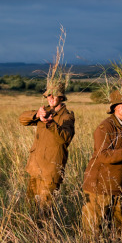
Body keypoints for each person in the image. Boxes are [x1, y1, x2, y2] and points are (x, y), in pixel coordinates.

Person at [81, 89, 122, 239]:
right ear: (114, 107)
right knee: (93, 227)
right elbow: (103, 155)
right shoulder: (105, 127)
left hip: (116, 184)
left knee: (118, 227)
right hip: (99, 184)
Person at [19, 84, 75, 219]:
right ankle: (31, 232)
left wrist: (51, 124)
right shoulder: (45, 111)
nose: (50, 98)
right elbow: (22, 119)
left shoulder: (67, 117)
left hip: (50, 169)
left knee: (45, 209)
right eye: (48, 95)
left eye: (54, 95)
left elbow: (65, 138)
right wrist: (37, 114)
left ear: (61, 97)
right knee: (30, 205)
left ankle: (46, 236)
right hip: (35, 167)